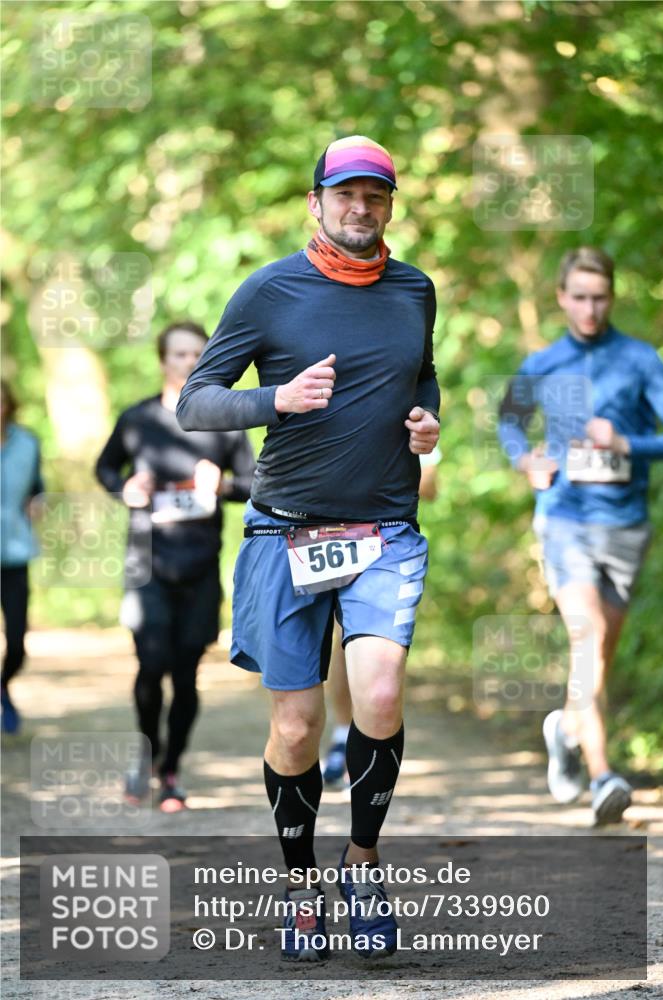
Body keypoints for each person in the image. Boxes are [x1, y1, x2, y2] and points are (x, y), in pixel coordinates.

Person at [177, 136, 440, 960]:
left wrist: (430, 426)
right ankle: (301, 889)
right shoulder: (267, 291)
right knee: (294, 731)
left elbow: (419, 375)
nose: (360, 210)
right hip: (282, 531)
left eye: (376, 197)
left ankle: (362, 867)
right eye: (346, 196)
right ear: (315, 202)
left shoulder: (413, 289)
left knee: (381, 689)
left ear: (389, 205)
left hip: (383, 530)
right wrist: (276, 400)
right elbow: (195, 404)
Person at [498, 247, 663, 826]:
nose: (590, 308)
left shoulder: (640, 361)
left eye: (600, 297)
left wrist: (627, 444)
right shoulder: (542, 363)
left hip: (625, 525)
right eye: (580, 297)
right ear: (562, 299)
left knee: (599, 654)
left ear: (611, 298)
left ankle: (564, 728)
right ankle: (603, 775)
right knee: (588, 637)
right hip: (564, 517)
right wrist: (526, 462)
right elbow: (509, 422)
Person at [96, 321, 254, 812]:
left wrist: (222, 487)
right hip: (147, 565)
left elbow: (253, 483)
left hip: (200, 567)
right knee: (150, 667)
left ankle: (171, 770)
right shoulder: (138, 418)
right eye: (179, 354)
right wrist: (125, 488)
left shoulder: (224, 422)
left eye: (196, 355)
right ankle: (146, 756)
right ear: (162, 359)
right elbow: (104, 467)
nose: (188, 362)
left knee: (185, 675)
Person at [322, 453, 441, 787]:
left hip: (387, 540)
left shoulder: (411, 409)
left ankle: (363, 740)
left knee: (373, 645)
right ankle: (343, 732)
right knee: (341, 638)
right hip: (329, 533)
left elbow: (430, 488)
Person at [1, 380, 44, 735]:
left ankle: (3, 685)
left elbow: (37, 488)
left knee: (16, 643)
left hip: (14, 554)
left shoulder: (27, 443)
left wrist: (38, 503)